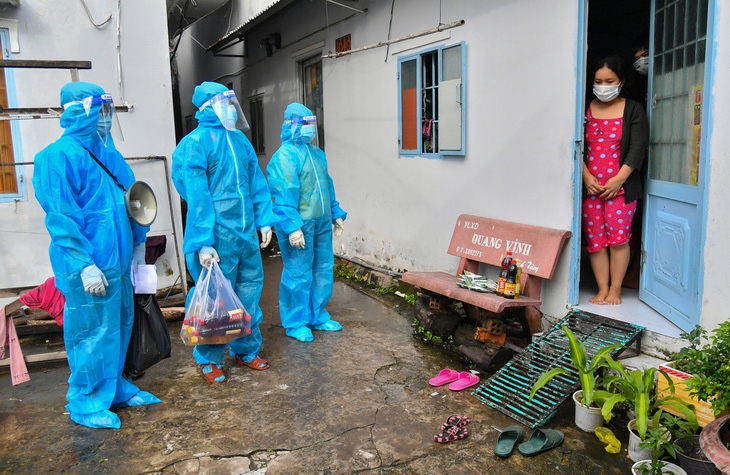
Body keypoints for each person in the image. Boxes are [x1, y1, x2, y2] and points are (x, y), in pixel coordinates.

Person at [33, 82, 160, 429]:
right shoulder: (54, 158)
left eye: (108, 110)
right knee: (91, 332)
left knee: (119, 326)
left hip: (118, 264)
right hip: (88, 266)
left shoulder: (110, 156)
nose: (106, 118)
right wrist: (83, 264)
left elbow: (133, 202)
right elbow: (61, 218)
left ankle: (116, 387)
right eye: (100, 110)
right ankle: (87, 402)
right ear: (79, 112)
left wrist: (138, 244)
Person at [172, 81, 276, 383]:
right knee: (216, 299)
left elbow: (256, 182)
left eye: (233, 103)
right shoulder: (196, 143)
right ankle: (208, 359)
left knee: (249, 292)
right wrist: (202, 241)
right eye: (225, 103)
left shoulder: (240, 141)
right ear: (208, 108)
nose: (232, 109)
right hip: (217, 234)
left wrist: (264, 219)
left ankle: (245, 350)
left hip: (244, 232)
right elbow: (196, 195)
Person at [267, 103, 347, 342]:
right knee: (298, 272)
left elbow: (326, 186)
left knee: (322, 268)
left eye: (312, 123)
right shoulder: (284, 157)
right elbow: (283, 194)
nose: (310, 129)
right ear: (292, 125)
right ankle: (295, 322)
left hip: (320, 223)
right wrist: (292, 227)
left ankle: (317, 315)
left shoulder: (317, 154)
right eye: (305, 124)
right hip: (299, 225)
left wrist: (335, 212)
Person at [582, 55, 648, 305]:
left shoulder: (633, 109)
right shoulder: (585, 108)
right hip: (592, 190)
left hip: (621, 189)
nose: (603, 85)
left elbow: (638, 148)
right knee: (596, 242)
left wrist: (618, 180)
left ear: (621, 82)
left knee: (618, 241)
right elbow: (576, 146)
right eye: (599, 81)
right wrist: (587, 177)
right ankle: (601, 288)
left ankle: (616, 290)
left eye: (609, 80)